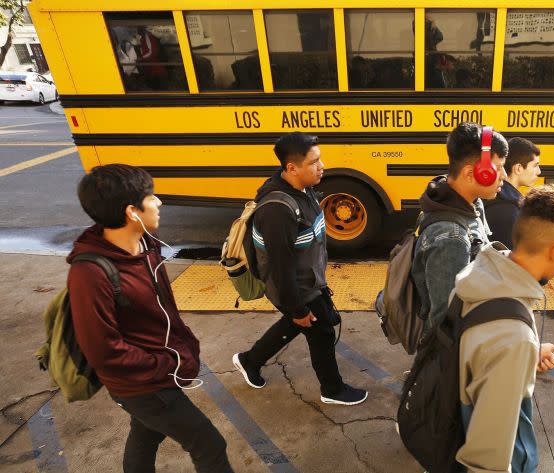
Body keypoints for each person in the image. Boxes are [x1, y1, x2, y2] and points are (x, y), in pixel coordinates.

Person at [69, 164, 233, 473]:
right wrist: (165, 365)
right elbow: (103, 351)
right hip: (141, 383)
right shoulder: (89, 274)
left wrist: (184, 345)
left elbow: (161, 308)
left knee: (146, 434)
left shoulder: (145, 243)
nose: (159, 202)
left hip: (162, 368)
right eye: (151, 196)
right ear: (132, 212)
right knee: (208, 444)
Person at [454, 184, 554, 472]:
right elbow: (486, 458)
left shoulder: (481, 274)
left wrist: (528, 355)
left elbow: (475, 354)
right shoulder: (513, 339)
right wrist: (521, 350)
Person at [232, 132, 368, 406]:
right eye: (314, 162)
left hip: (307, 280)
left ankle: (250, 360)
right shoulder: (278, 211)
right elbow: (281, 270)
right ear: (291, 168)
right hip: (295, 287)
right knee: (321, 332)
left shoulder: (302, 189)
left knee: (299, 326)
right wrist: (298, 309)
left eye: (320, 159)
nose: (322, 166)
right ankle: (333, 390)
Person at [411, 122, 509, 335]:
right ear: (470, 173)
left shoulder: (469, 203)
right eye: (498, 167)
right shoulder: (450, 239)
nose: (505, 176)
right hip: (456, 357)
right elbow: (446, 324)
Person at [484, 137, 541, 249]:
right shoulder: (509, 209)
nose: (539, 171)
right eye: (535, 165)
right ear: (518, 168)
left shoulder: (494, 196)